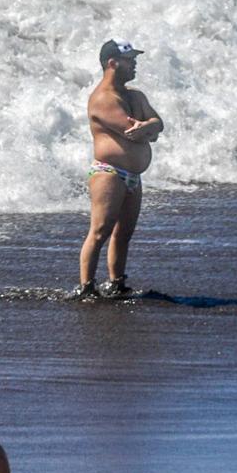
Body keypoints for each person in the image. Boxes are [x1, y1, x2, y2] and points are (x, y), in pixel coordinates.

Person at [75, 38, 163, 299]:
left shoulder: (135, 96)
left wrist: (149, 127)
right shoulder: (102, 99)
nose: (134, 64)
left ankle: (116, 283)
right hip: (109, 173)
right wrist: (149, 128)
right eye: (129, 60)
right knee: (100, 231)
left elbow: (157, 124)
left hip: (133, 176)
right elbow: (132, 130)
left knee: (124, 233)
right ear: (112, 63)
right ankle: (87, 287)